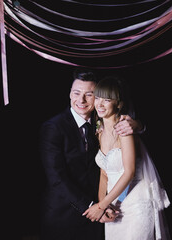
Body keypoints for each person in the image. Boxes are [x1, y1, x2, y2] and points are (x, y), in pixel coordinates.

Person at [39, 68, 142, 240]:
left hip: (100, 216)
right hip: (64, 215)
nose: (81, 100)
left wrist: (138, 124)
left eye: (89, 94)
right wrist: (93, 207)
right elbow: (57, 178)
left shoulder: (103, 120)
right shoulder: (53, 127)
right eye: (76, 93)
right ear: (70, 94)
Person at [83, 76, 171, 240]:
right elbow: (104, 174)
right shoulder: (99, 131)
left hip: (136, 205)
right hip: (114, 205)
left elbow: (129, 172)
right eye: (98, 97)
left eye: (107, 99)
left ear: (118, 104)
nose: (100, 104)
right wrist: (105, 205)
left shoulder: (125, 129)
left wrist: (100, 206)